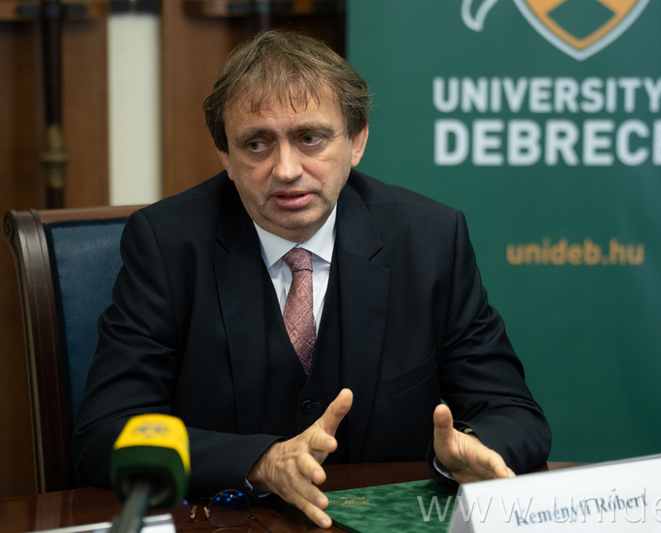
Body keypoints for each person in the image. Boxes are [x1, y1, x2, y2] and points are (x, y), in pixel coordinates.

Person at [72, 30, 551, 529]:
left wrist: (467, 449)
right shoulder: (167, 243)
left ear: (357, 140)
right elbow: (105, 433)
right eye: (256, 144)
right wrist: (259, 462)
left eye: (310, 138)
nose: (285, 169)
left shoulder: (429, 240)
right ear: (226, 156)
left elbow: (513, 412)